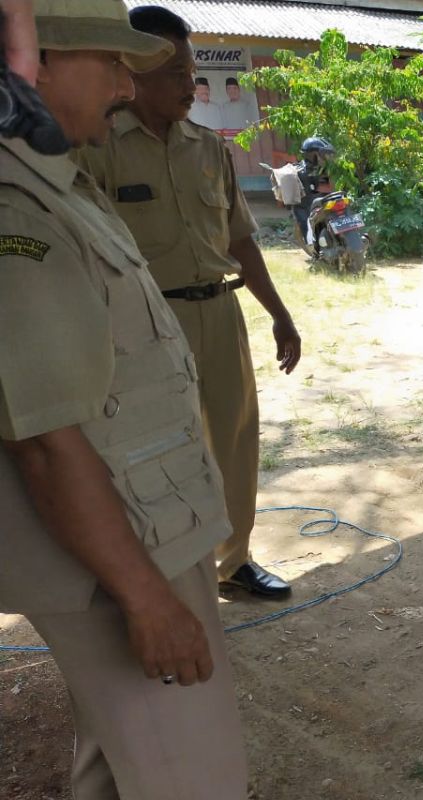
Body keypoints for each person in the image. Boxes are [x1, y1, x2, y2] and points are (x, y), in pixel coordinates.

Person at [0, 1, 248, 797]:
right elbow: (45, 442)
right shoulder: (18, 214)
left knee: (119, 758)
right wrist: (146, 597)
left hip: (146, 527)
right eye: (106, 60)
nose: (124, 79)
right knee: (195, 777)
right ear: (29, 62)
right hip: (117, 555)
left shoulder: (57, 180)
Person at [78, 5, 302, 598]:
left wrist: (279, 314)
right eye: (175, 71)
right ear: (134, 70)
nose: (189, 84)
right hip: (142, 324)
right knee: (149, 448)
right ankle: (159, 573)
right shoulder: (98, 149)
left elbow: (240, 240)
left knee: (232, 440)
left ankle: (233, 561)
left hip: (219, 314)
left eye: (191, 70)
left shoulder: (208, 147)